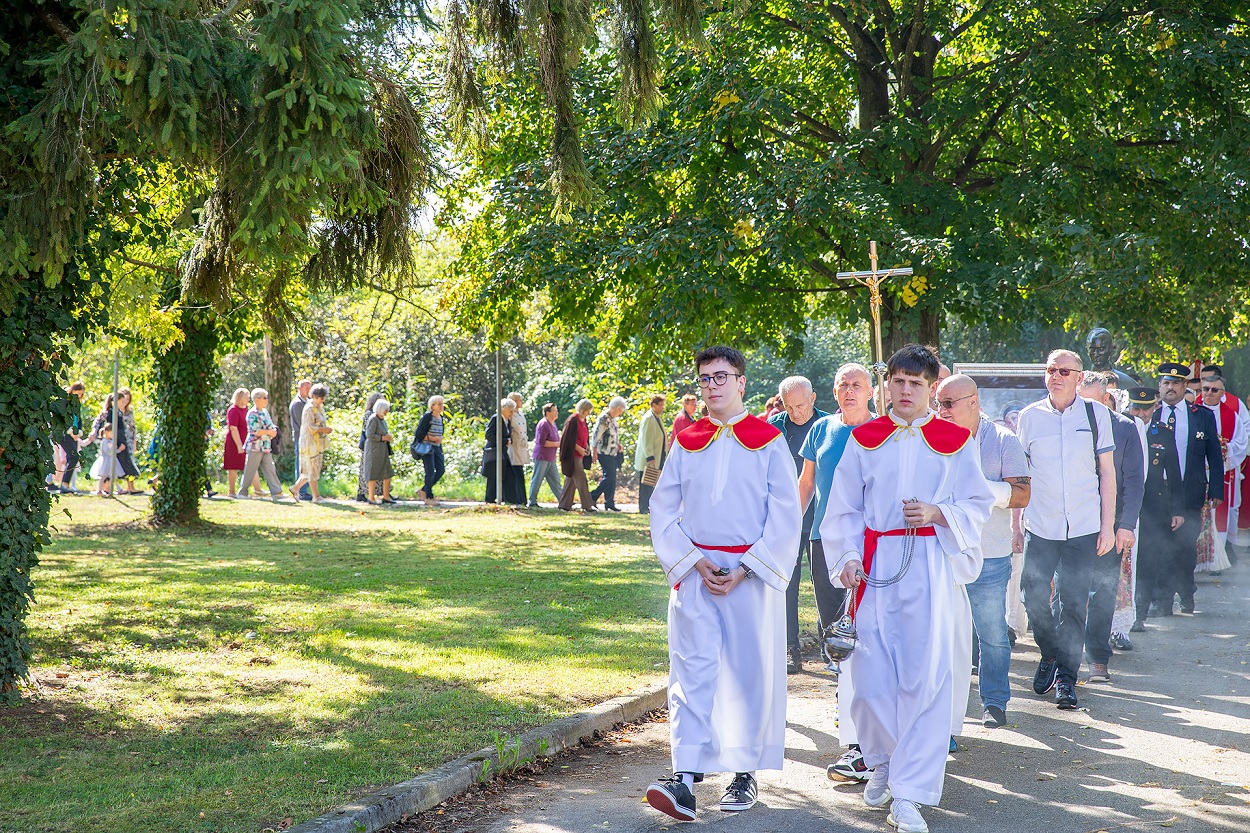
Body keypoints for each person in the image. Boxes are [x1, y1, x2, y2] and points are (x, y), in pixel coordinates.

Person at [822, 344, 992, 833]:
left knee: (922, 678)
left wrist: (939, 513)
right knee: (871, 682)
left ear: (931, 386)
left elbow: (978, 502)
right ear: (886, 384)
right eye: (896, 381)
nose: (904, 391)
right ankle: (880, 763)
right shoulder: (866, 439)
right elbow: (844, 508)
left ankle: (910, 793)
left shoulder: (954, 441)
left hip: (927, 567)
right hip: (874, 571)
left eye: (915, 383)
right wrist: (848, 557)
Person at [645, 346, 800, 822]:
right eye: (705, 379)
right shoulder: (687, 440)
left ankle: (743, 772)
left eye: (721, 377)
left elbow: (785, 515)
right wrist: (691, 561)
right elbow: (662, 509)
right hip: (696, 574)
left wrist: (746, 568)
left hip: (747, 577)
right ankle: (686, 778)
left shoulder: (770, 441)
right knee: (691, 673)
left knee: (746, 673)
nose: (711, 386)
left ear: (741, 383)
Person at [1016, 350, 1116, 711]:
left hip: (1084, 527)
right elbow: (1020, 478)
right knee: (1032, 597)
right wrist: (1017, 525)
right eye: (1050, 369)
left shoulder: (1097, 414)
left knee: (1074, 605)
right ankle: (1050, 652)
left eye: (1064, 370)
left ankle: (1066, 680)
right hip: (1040, 526)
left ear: (1078, 376)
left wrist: (1108, 527)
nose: (1056, 375)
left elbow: (1107, 473)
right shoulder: (1029, 418)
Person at [935, 374, 1030, 728]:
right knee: (945, 637)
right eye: (938, 403)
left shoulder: (1003, 440)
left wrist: (979, 491)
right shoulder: (934, 440)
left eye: (948, 404)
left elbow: (1022, 494)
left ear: (973, 402)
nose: (940, 410)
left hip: (989, 555)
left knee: (991, 635)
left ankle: (994, 700)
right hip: (943, 553)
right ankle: (945, 713)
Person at [1075, 372, 1144, 683]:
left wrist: (1126, 525)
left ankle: (1098, 657)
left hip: (1111, 525)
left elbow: (1133, 483)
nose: (1084, 408)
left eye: (1092, 401)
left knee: (1103, 590)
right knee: (1069, 592)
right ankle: (1064, 656)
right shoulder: (1066, 425)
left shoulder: (1125, 428)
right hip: (1070, 525)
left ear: (1106, 399)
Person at [768, 376, 830, 672]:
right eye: (790, 407)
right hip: (785, 520)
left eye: (801, 405)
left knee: (826, 585)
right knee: (786, 585)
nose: (797, 413)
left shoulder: (829, 425)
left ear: (813, 398)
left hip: (822, 519)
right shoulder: (773, 428)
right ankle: (789, 647)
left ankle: (829, 643)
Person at [1150, 362, 1222, 615]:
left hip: (1191, 493)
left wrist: (1216, 490)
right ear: (1159, 386)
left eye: (1176, 383)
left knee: (1184, 548)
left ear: (1184, 386)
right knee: (1159, 547)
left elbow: (1214, 455)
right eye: (1166, 383)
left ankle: (1186, 593)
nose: (1171, 387)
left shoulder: (1201, 415)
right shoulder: (1151, 414)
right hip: (1158, 495)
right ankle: (1162, 601)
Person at [1126, 387, 1181, 634]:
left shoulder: (1164, 434)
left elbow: (1175, 474)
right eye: (1135, 408)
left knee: (1147, 563)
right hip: (1126, 504)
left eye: (1145, 409)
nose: (1140, 414)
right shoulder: (1121, 428)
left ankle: (1140, 613)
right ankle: (1124, 614)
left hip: (1154, 507)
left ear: (1154, 408)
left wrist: (1177, 509)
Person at [1198, 373, 1246, 562]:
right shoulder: (1191, 411)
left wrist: (1221, 448)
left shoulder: (1231, 416)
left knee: (1219, 515)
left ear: (1222, 393)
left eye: (1214, 390)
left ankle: (1215, 559)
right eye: (1205, 389)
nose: (1208, 393)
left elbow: (1241, 444)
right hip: (1197, 473)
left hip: (1220, 475)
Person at [289, 384, 332, 503]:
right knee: (311, 467)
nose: (322, 400)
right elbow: (309, 427)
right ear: (313, 396)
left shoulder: (320, 407)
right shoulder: (309, 408)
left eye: (323, 398)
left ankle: (295, 488)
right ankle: (316, 496)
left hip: (318, 442)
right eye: (319, 398)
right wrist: (324, 430)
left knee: (313, 468)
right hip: (309, 442)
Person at [239, 388, 285, 500]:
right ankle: (242, 492)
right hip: (255, 447)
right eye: (265, 398)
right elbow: (255, 431)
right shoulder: (252, 413)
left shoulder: (265, 412)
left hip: (266, 446)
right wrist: (269, 432)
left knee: (270, 468)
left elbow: (270, 425)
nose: (267, 400)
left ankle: (277, 492)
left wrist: (274, 431)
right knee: (250, 470)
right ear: (257, 399)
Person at [589, 397, 627, 511]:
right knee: (609, 476)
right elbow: (597, 435)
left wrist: (618, 444)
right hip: (604, 452)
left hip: (613, 452)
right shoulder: (604, 418)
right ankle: (592, 496)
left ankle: (609, 502)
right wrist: (594, 451)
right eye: (620, 410)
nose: (620, 413)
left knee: (612, 478)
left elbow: (612, 434)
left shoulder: (613, 419)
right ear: (614, 407)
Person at [558, 400, 595, 512]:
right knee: (581, 478)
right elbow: (568, 439)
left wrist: (587, 447)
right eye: (587, 410)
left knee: (571, 480)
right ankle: (587, 504)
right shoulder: (573, 420)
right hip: (573, 455)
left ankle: (564, 505)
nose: (588, 413)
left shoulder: (584, 421)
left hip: (581, 454)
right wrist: (579, 448)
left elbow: (584, 436)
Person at [634, 395, 668, 514]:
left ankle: (647, 506)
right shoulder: (649, 418)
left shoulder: (656, 417)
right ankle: (643, 507)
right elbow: (646, 439)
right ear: (654, 405)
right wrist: (650, 456)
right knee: (646, 483)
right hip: (649, 458)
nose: (662, 408)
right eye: (660, 405)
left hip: (657, 456)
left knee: (651, 482)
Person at [413, 395, 447, 506]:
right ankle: (428, 496)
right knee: (430, 471)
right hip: (427, 448)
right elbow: (419, 434)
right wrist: (433, 439)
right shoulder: (428, 417)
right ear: (432, 406)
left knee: (440, 470)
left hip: (437, 448)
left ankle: (423, 490)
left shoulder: (441, 418)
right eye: (439, 404)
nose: (441, 406)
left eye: (442, 404)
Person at [483, 398, 517, 504]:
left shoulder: (507, 420)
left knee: (508, 475)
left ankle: (509, 499)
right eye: (510, 411)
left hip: (502, 452)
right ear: (503, 409)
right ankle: (490, 500)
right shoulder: (496, 418)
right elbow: (489, 435)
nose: (512, 413)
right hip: (494, 452)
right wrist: (504, 441)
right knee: (493, 476)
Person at [54, 382, 86, 495]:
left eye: (80, 395)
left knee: (72, 458)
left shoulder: (77, 404)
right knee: (73, 457)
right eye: (76, 394)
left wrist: (79, 431)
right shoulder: (64, 402)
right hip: (64, 434)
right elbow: (61, 418)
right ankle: (64, 484)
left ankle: (65, 484)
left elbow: (79, 419)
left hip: (74, 434)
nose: (78, 397)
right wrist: (70, 430)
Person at [528, 403, 562, 507]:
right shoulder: (543, 424)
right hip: (542, 456)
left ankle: (563, 500)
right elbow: (541, 442)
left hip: (551, 458)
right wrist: (557, 444)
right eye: (554, 411)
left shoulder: (553, 424)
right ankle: (532, 501)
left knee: (555, 479)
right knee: (537, 478)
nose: (557, 413)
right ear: (548, 412)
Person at [364, 398, 396, 504]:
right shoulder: (373, 419)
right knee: (373, 473)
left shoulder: (382, 419)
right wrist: (383, 438)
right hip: (374, 450)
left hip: (383, 450)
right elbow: (369, 435)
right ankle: (371, 497)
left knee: (387, 472)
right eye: (386, 409)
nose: (387, 412)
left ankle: (386, 496)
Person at [356, 392, 383, 502]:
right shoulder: (370, 415)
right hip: (370, 445)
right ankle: (362, 492)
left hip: (375, 444)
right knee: (366, 468)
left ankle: (380, 492)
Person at [289, 380, 313, 501]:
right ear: (300, 388)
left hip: (309, 439)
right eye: (306, 388)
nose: (308, 391)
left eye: (310, 388)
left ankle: (305, 489)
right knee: (302, 464)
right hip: (301, 438)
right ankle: (301, 491)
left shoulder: (307, 402)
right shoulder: (297, 404)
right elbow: (302, 423)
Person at [224, 388, 250, 497]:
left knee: (249, 464)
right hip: (234, 441)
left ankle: (256, 489)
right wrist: (239, 445)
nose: (248, 398)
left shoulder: (247, 409)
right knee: (233, 466)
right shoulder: (233, 410)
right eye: (247, 396)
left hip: (246, 439)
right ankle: (232, 491)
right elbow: (233, 428)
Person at [507, 392, 530, 506]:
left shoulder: (521, 415)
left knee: (520, 471)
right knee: (516, 472)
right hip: (514, 446)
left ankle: (522, 498)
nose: (521, 402)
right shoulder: (511, 417)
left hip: (521, 446)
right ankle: (517, 498)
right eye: (520, 400)